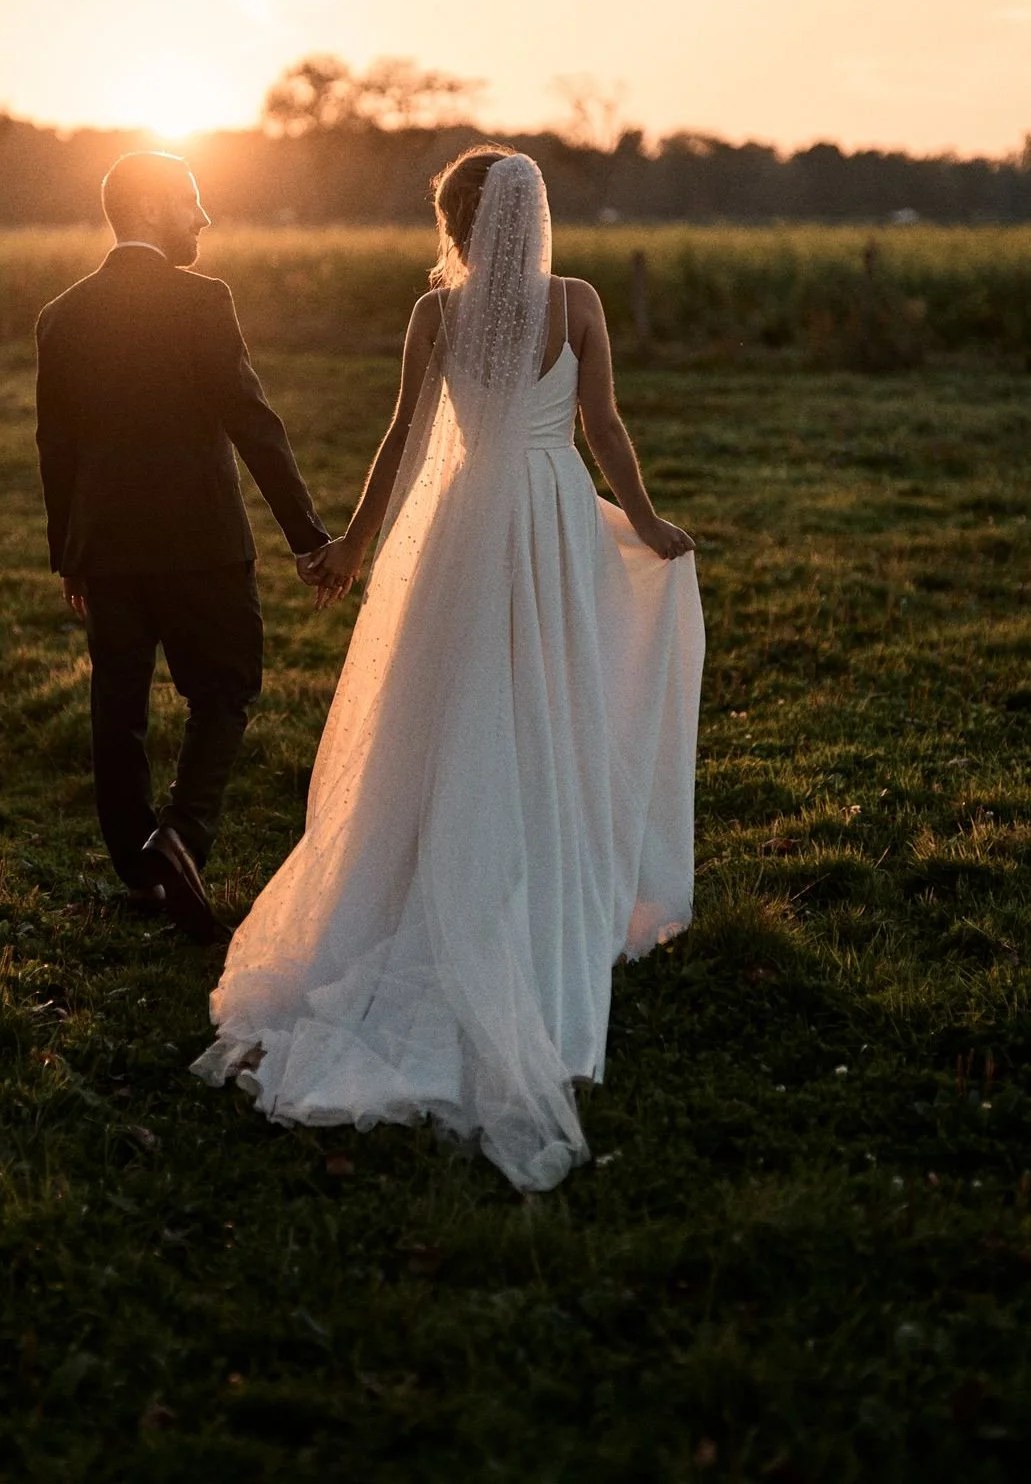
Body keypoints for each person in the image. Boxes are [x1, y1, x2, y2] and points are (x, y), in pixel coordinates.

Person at [193, 147, 704, 1188]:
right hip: (553, 513)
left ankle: (466, 855)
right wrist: (645, 521)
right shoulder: (577, 300)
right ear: (533, 215)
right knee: (547, 694)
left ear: (456, 224)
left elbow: (401, 442)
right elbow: (601, 424)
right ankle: (533, 865)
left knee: (457, 703)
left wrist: (351, 546)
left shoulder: (437, 314)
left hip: (467, 524)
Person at [35, 151, 329, 943]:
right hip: (202, 544)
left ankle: (142, 872)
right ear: (156, 208)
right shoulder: (202, 300)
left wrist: (69, 551)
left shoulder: (60, 314)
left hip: (105, 550)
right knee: (224, 691)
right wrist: (308, 537)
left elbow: (53, 447)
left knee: (116, 709)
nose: (204, 219)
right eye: (193, 204)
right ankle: (183, 838)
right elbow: (251, 421)